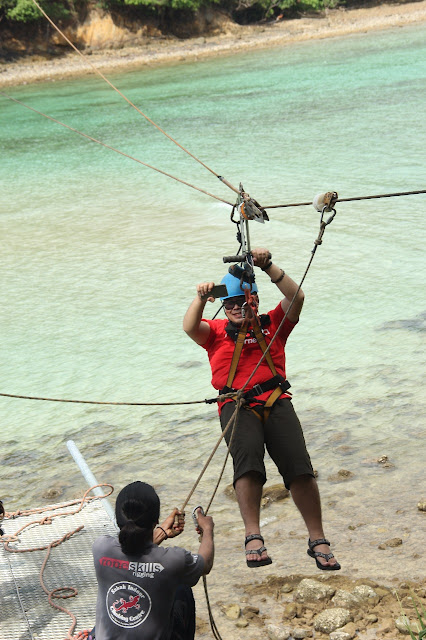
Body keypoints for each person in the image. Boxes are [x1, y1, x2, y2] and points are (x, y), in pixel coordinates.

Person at [183, 247, 340, 571]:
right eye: (231, 304)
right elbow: (189, 326)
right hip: (236, 404)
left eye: (243, 302)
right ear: (224, 307)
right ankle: (253, 534)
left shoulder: (273, 325)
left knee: (299, 467)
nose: (238, 308)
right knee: (249, 463)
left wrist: (268, 266)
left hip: (275, 400)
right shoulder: (214, 334)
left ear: (254, 299)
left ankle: (317, 538)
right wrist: (202, 297)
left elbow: (297, 298)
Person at [91, 481, 214, 639]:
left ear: (117, 520)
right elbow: (206, 563)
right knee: (182, 589)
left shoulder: (101, 548)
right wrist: (208, 529)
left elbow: (134, 554)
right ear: (155, 520)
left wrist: (162, 532)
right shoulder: (174, 561)